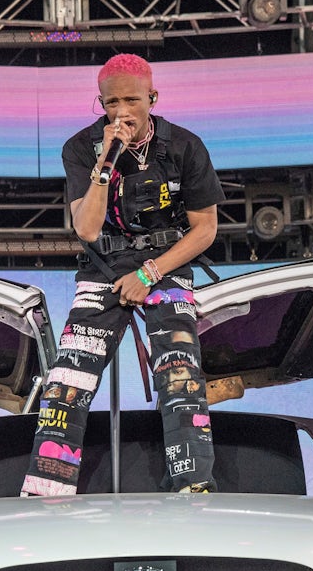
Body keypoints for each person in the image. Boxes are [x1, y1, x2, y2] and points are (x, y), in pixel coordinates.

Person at [21, 53, 224, 497]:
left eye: (132, 100)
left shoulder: (186, 146)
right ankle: (45, 496)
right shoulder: (80, 147)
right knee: (65, 384)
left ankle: (193, 490)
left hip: (166, 263)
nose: (121, 111)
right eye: (111, 103)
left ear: (152, 97)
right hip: (101, 267)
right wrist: (104, 166)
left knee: (179, 375)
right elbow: (87, 228)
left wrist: (150, 274)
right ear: (101, 102)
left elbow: (205, 228)